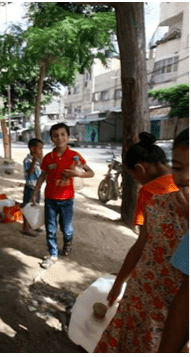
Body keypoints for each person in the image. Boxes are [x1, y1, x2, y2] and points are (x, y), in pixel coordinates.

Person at [95, 128, 189, 353]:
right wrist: (119, 282)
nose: (185, 177)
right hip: (139, 297)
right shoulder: (156, 204)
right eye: (177, 167)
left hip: (168, 314)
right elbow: (140, 246)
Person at [30, 123, 94, 269]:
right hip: (50, 200)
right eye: (56, 135)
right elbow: (42, 175)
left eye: (63, 134)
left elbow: (91, 173)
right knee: (51, 229)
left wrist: (78, 173)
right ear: (52, 139)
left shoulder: (75, 156)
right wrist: (35, 193)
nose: (59, 138)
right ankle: (53, 254)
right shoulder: (48, 158)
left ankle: (68, 241)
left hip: (67, 200)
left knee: (66, 228)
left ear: (68, 136)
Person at [124, 132, 178, 227]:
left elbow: (145, 234)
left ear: (140, 169)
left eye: (135, 176)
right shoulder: (183, 180)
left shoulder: (148, 191)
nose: (137, 181)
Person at [21, 138, 44, 236]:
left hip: (36, 188)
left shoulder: (38, 160)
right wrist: (34, 162)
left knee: (35, 206)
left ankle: (33, 225)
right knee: (27, 206)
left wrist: (39, 159)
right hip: (30, 187)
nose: (41, 151)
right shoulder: (28, 160)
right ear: (32, 148)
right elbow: (29, 172)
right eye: (40, 148)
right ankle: (26, 227)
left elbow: (43, 170)